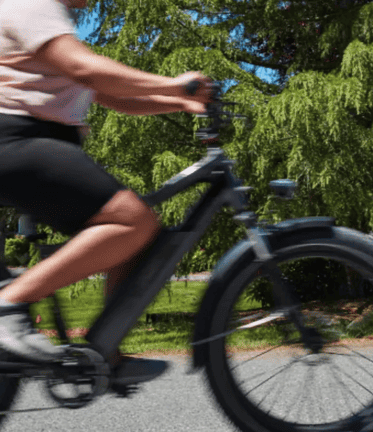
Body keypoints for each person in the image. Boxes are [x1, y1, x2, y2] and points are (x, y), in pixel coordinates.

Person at [0, 0, 213, 385]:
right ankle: (9, 304)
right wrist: (174, 82)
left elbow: (114, 96)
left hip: (35, 144)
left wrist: (179, 100)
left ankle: (104, 352)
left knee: (131, 229)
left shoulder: (52, 22)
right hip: (16, 140)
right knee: (131, 219)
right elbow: (85, 68)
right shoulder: (33, 5)